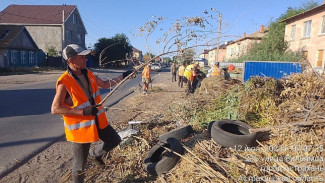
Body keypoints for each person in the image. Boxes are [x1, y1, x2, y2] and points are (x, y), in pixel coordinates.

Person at [51, 44, 133, 183]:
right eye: (82, 57)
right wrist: (83, 112)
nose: (86, 59)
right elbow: (55, 108)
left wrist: (124, 76)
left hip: (98, 121)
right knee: (79, 167)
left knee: (114, 140)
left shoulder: (88, 73)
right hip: (81, 129)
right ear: (71, 60)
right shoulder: (64, 82)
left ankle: (94, 155)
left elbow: (106, 84)